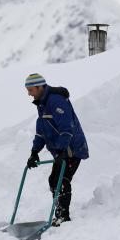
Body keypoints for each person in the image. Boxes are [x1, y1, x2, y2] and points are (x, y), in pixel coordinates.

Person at [24, 73, 89, 225]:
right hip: (62, 150)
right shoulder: (42, 103)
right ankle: (59, 214)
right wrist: (34, 152)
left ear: (40, 87)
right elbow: (41, 131)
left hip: (72, 148)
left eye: (31, 89)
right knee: (54, 180)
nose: (29, 94)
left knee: (61, 180)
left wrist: (61, 150)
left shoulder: (56, 100)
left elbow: (67, 128)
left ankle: (63, 216)